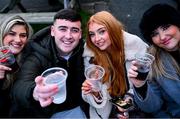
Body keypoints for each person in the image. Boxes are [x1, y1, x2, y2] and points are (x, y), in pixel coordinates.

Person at [10, 9, 89, 118]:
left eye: (74, 30)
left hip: (79, 108)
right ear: (53, 30)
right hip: (48, 113)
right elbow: (20, 86)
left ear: (80, 34)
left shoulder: (86, 52)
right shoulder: (38, 54)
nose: (68, 36)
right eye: (63, 29)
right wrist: (35, 92)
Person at [81, 11, 148, 119]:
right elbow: (94, 92)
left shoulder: (135, 45)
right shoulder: (90, 53)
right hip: (106, 106)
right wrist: (95, 93)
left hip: (136, 102)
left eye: (102, 31)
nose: (97, 39)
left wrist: (126, 104)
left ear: (112, 29)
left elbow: (147, 81)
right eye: (92, 34)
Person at [128, 4, 180, 117]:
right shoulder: (153, 62)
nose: (162, 37)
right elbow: (153, 107)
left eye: (165, 27)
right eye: (154, 34)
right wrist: (141, 86)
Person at [0, 15, 33, 117]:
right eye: (12, 34)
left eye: (23, 35)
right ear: (2, 34)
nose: (18, 40)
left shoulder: (29, 57)